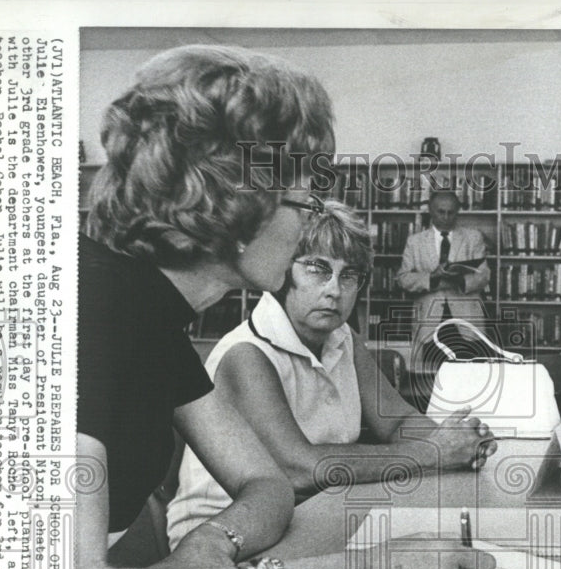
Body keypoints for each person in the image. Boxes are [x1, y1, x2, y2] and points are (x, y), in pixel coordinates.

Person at [76, 45, 494, 569]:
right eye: (300, 205)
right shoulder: (88, 313)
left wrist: (213, 542)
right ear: (234, 202)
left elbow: (264, 481)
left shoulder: (151, 315)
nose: (305, 227)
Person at [166, 199, 497, 549]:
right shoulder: (246, 353)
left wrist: (457, 441)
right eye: (317, 269)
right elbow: (299, 469)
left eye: (349, 275)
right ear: (283, 274)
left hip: (316, 516)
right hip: (222, 542)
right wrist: (434, 453)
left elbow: (397, 420)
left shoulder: (344, 339)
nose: (334, 290)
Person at [396, 189, 491, 374]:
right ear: (431, 211)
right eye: (441, 212)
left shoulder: (473, 238)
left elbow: (484, 275)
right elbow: (403, 279)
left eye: (451, 212)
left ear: (458, 212)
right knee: (432, 379)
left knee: (470, 378)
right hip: (429, 323)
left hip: (467, 323)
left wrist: (458, 281)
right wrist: (433, 278)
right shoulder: (415, 242)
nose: (446, 217)